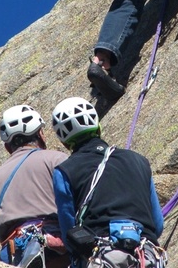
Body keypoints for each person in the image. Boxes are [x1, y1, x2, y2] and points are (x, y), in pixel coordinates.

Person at [51, 97, 166, 268]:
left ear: (63, 141)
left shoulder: (64, 172)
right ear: (98, 125)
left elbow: (69, 233)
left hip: (102, 257)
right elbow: (157, 223)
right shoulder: (139, 161)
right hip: (146, 255)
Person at [0, 104, 70, 268]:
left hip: (13, 255)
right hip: (54, 247)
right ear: (40, 134)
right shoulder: (56, 160)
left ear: (7, 147)